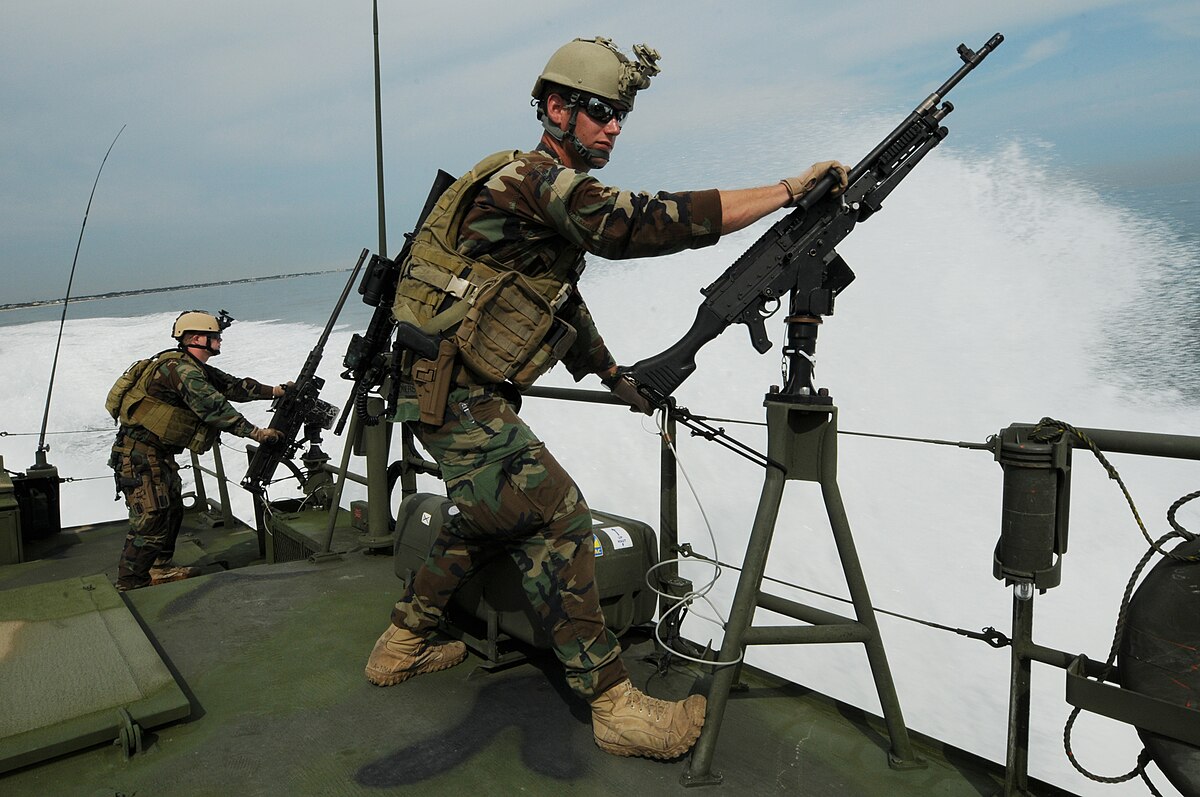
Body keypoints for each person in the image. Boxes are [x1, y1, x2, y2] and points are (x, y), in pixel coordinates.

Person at [365, 36, 848, 760]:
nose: (614, 127)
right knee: (556, 513)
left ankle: (401, 642)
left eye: (619, 114)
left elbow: (557, 308)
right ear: (557, 108)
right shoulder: (531, 179)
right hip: (454, 391)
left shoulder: (542, 194)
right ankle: (614, 704)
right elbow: (634, 223)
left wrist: (616, 378)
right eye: (599, 112)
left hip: (452, 385)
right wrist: (786, 191)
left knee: (491, 512)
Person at [108, 310, 287, 591]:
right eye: (214, 336)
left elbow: (233, 386)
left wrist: (276, 390)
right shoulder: (181, 370)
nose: (219, 341)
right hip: (139, 455)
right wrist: (257, 433)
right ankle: (130, 584)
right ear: (195, 338)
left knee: (172, 510)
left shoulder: (190, 366)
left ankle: (159, 568)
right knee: (151, 517)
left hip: (156, 455)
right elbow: (213, 407)